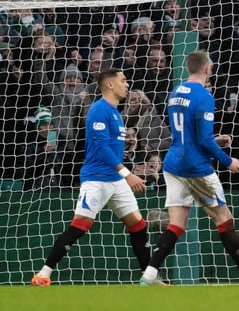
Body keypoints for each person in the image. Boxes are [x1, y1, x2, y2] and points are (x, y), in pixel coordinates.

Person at [139, 51, 239, 286]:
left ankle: (149, 276)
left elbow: (190, 135)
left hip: (173, 162)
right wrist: (228, 161)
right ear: (208, 69)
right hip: (195, 167)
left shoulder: (176, 92)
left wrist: (216, 140)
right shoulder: (204, 96)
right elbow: (202, 142)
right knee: (224, 219)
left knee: (177, 224)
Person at [32, 69, 151, 286]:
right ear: (110, 85)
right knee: (79, 226)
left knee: (138, 225)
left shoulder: (115, 112)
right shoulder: (98, 110)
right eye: (123, 81)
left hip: (115, 180)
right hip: (97, 179)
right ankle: (43, 274)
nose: (127, 84)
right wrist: (128, 174)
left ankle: (149, 277)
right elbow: (100, 146)